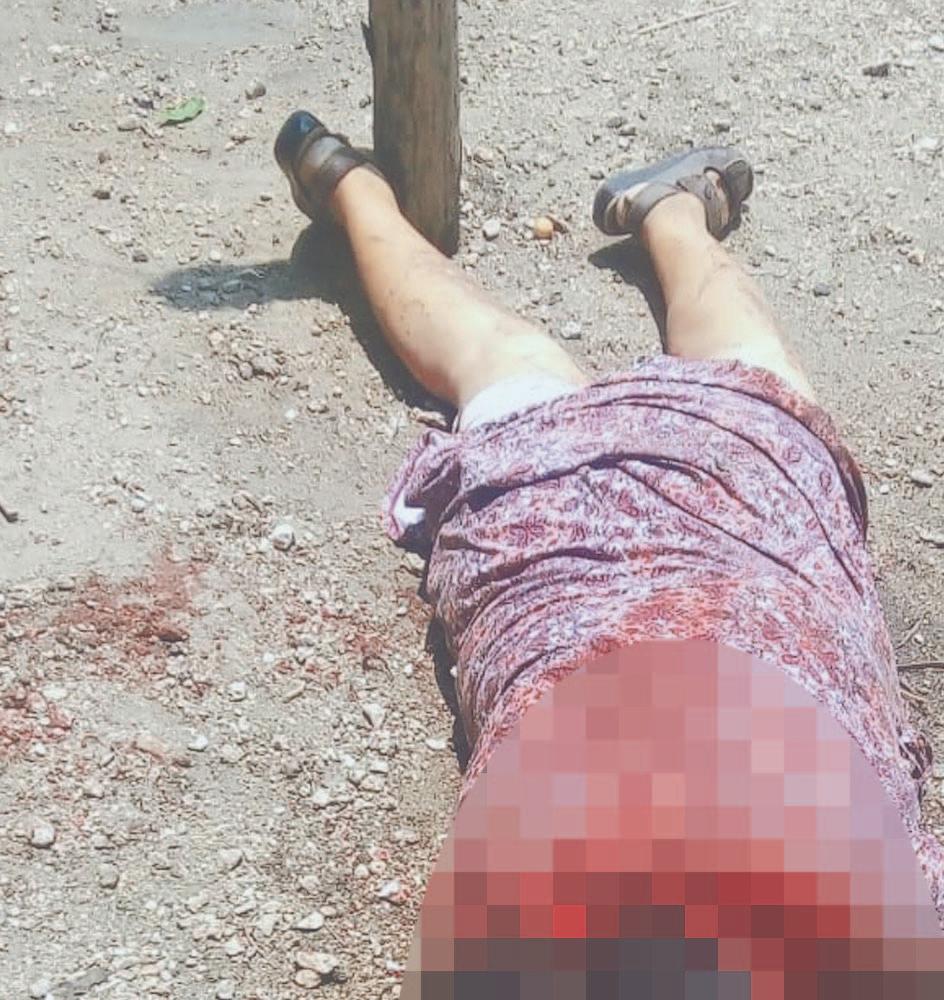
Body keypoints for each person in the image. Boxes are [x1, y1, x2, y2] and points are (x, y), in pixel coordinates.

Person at [273, 110, 944, 991]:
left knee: (734, 375)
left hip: (710, 542)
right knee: (506, 368)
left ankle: (665, 209)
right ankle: (355, 188)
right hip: (580, 554)